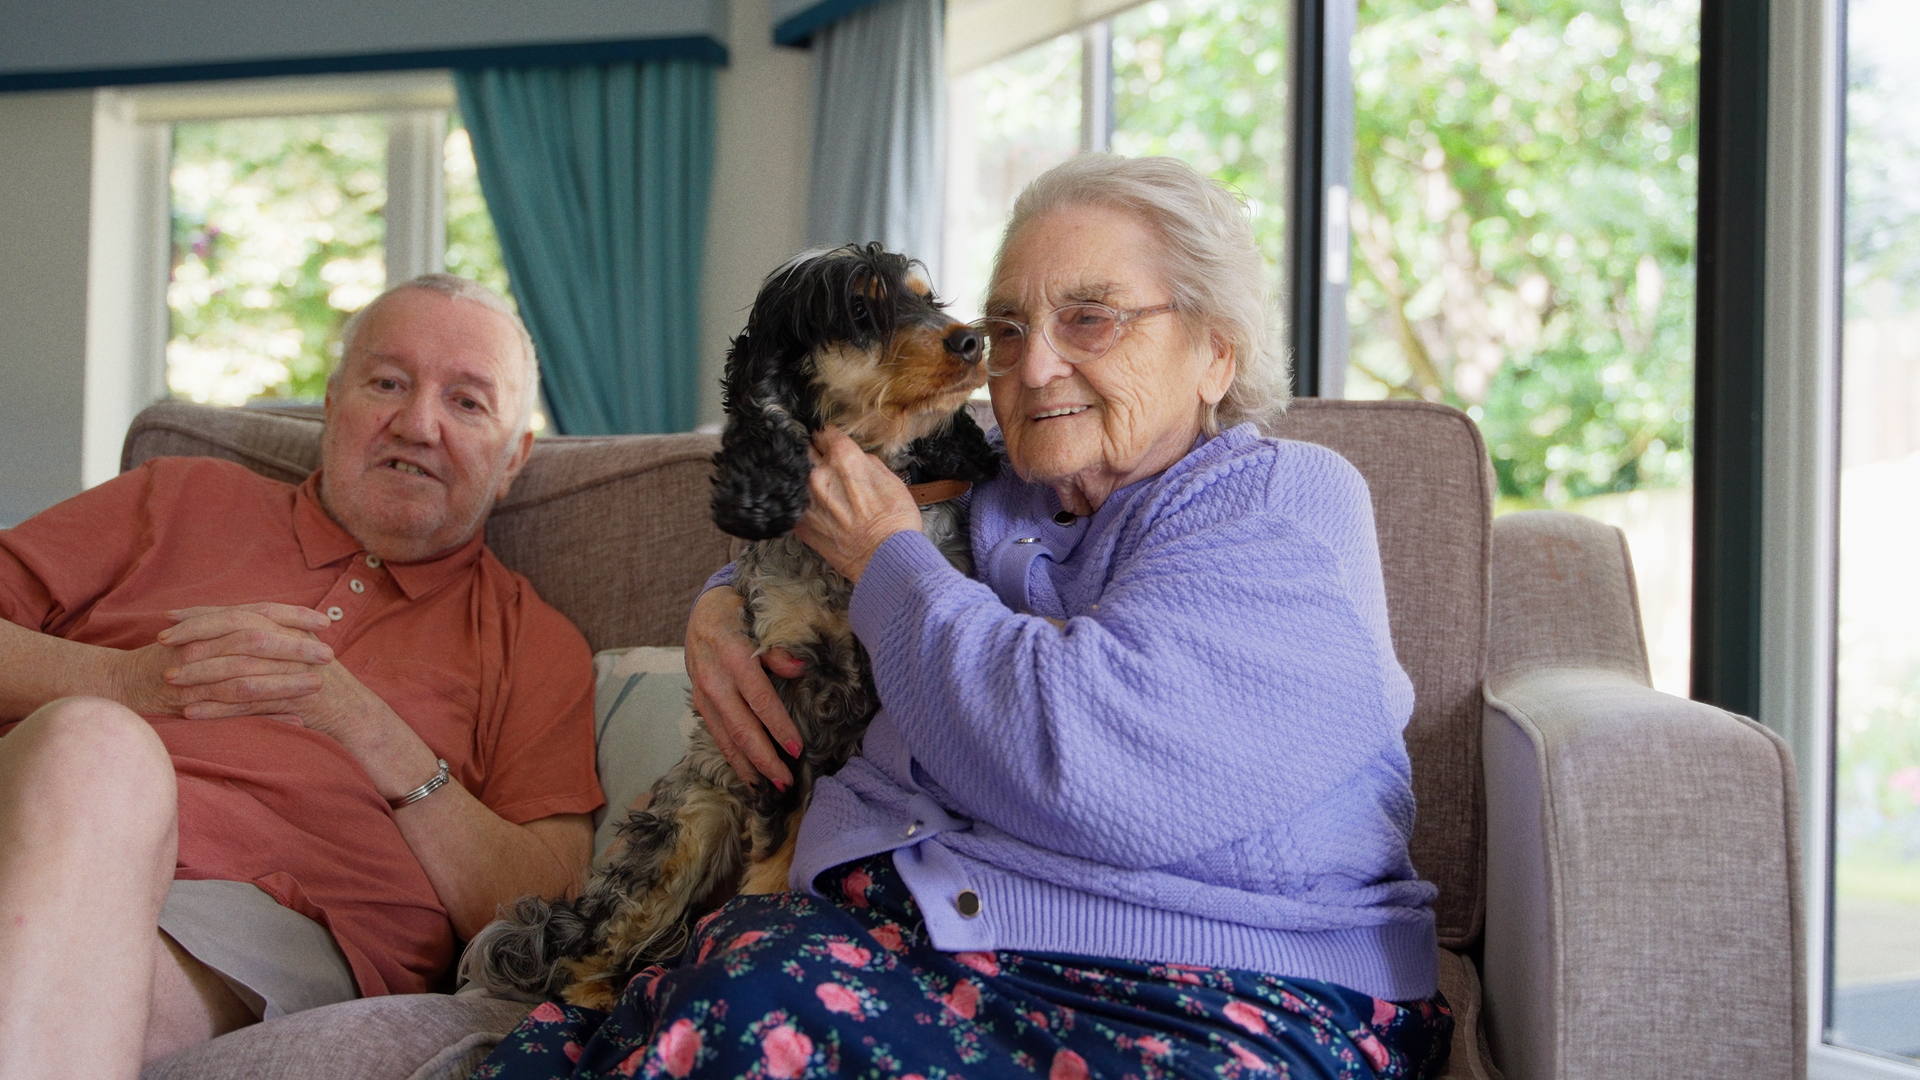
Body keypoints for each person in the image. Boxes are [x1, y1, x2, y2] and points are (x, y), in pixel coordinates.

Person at [474, 155, 1451, 1080]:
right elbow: (816, 514)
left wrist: (884, 561)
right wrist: (723, 607)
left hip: (1228, 980)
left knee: (744, 1014)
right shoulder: (1000, 482)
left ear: (1214, 351)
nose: (1031, 370)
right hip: (946, 942)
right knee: (719, 985)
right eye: (1010, 328)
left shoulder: (1281, 502)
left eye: (1093, 319)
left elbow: (1085, 764)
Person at [0, 274, 605, 1079]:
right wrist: (125, 685)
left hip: (252, 931)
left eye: (467, 403)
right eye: (387, 383)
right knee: (97, 745)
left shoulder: (534, 641)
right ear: (331, 404)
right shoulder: (177, 494)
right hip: (32, 827)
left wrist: (369, 730)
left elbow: (549, 907)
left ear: (513, 457)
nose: (418, 424)